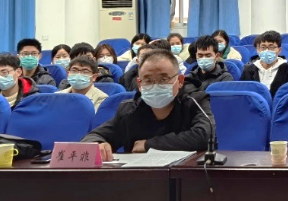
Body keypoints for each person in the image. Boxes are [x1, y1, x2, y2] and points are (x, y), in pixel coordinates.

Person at [82, 49, 210, 161]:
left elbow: (205, 136)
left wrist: (148, 144)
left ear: (180, 81)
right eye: (148, 80)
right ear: (139, 84)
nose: (155, 85)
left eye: (163, 79)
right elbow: (92, 137)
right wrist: (99, 144)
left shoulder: (195, 101)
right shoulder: (129, 110)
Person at [239, 30, 288, 98]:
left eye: (271, 47)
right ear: (258, 49)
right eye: (263, 47)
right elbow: (243, 94)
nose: (267, 51)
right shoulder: (248, 70)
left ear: (279, 50)